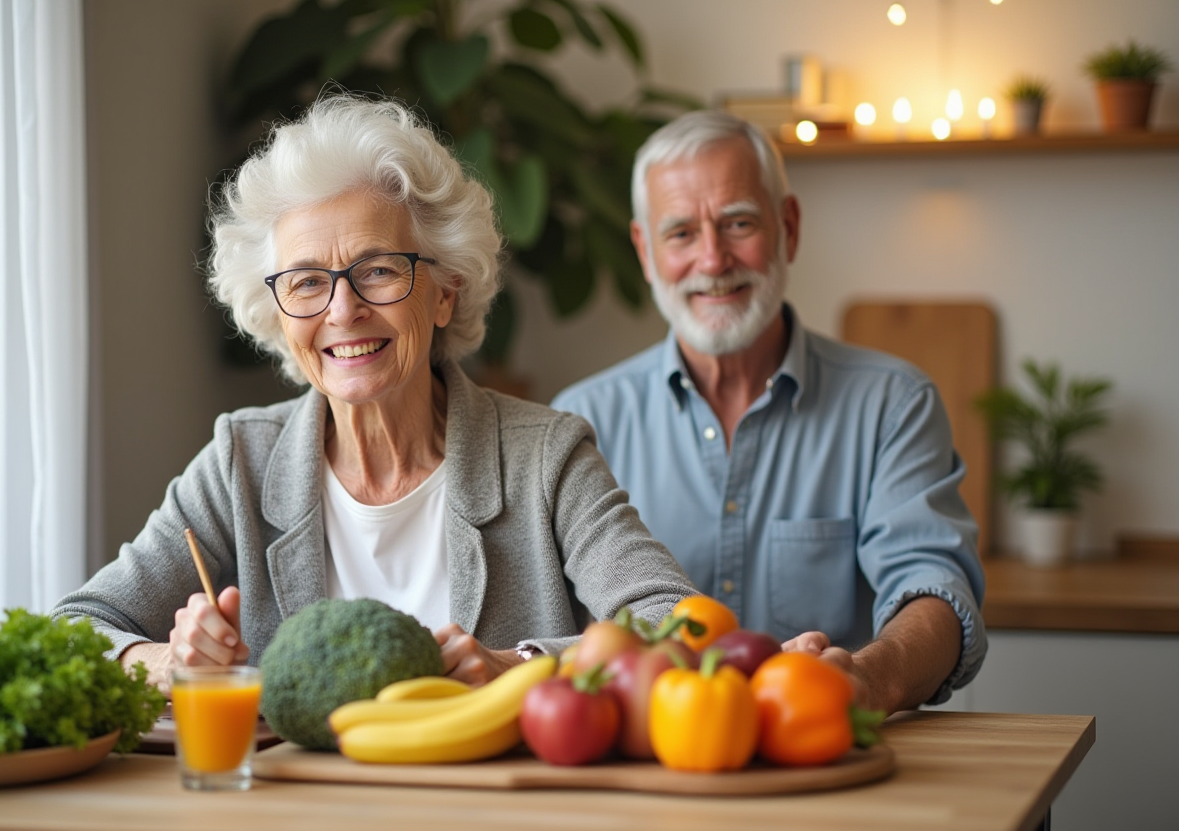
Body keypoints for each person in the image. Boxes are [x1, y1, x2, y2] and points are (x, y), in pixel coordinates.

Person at [52, 94, 696, 693]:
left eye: (379, 271)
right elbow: (73, 630)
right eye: (306, 282)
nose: (343, 310)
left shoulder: (546, 456)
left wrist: (519, 666)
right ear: (276, 312)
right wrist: (168, 661)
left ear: (445, 290)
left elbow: (677, 624)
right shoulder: (239, 461)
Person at [552, 110, 987, 714]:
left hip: (829, 748)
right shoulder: (579, 423)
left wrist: (870, 677)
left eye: (738, 223)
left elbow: (935, 588)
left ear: (789, 227)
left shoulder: (893, 403)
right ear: (645, 252)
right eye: (681, 233)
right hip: (647, 764)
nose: (712, 259)